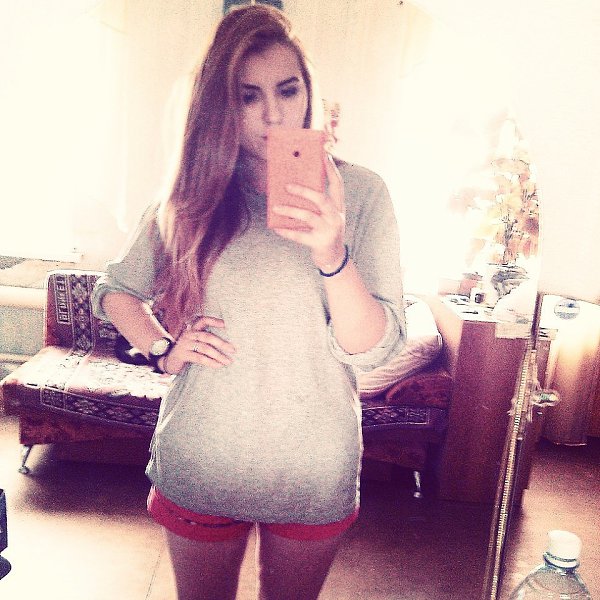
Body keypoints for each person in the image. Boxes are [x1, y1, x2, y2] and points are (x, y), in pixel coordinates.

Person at [92, 4, 405, 599]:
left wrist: (331, 251)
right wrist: (162, 349)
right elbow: (116, 289)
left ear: (308, 91)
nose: (273, 114)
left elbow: (373, 348)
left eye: (287, 90)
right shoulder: (191, 194)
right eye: (247, 96)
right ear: (220, 105)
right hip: (204, 456)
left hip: (313, 465)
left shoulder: (362, 193)